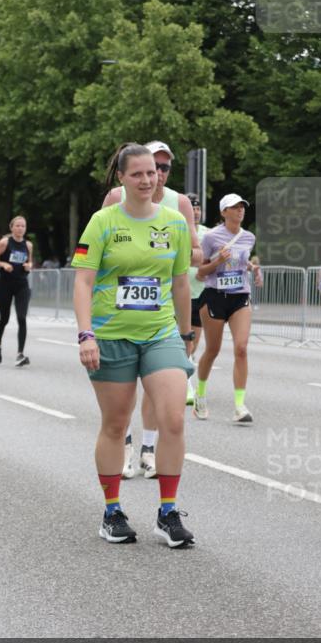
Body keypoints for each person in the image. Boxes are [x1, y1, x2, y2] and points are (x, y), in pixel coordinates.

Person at [73, 142, 195, 548]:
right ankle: (112, 511)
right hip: (111, 335)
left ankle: (168, 511)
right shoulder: (103, 222)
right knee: (116, 423)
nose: (148, 179)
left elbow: (180, 282)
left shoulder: (174, 222)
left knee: (173, 419)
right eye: (139, 173)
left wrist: (186, 332)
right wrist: (86, 334)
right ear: (122, 179)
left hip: (160, 333)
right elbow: (84, 281)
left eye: (154, 172)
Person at [103, 140, 201, 479]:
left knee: (164, 396)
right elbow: (97, 254)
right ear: (128, 175)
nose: (156, 175)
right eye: (150, 168)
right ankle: (125, 446)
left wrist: (186, 332)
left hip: (162, 319)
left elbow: (191, 253)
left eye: (163, 168)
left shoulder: (180, 205)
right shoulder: (116, 200)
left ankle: (148, 448)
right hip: (119, 320)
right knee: (122, 400)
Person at [194, 194, 262, 424]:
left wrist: (253, 268)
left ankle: (239, 406)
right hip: (215, 296)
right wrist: (217, 262)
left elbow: (241, 262)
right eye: (234, 207)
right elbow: (200, 272)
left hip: (240, 296)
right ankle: (200, 395)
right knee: (212, 350)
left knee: (241, 348)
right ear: (224, 212)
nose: (240, 210)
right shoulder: (211, 237)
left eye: (242, 206)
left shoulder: (248, 237)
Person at [0, 216, 33, 367]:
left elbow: (29, 261)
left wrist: (29, 266)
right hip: (5, 284)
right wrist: (3, 264)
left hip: (22, 285)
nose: (21, 228)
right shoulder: (4, 242)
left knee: (22, 318)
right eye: (18, 226)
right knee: (4, 319)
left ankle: (20, 354)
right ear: (12, 228)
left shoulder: (28, 245)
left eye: (23, 226)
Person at [186, 194, 210, 404]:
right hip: (180, 293)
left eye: (198, 208)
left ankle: (186, 368)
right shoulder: (176, 229)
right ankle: (186, 386)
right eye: (191, 208)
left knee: (195, 344)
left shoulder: (207, 234)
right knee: (183, 341)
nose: (195, 212)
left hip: (201, 293)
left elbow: (214, 259)